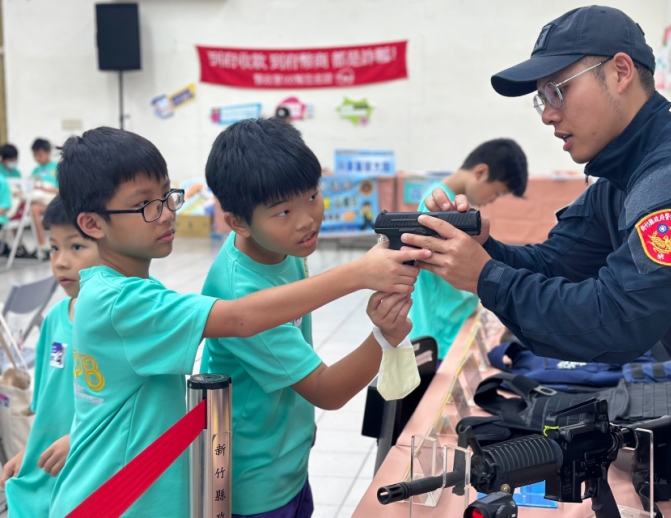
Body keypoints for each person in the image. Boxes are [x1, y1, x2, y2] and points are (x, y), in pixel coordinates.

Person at [404, 5, 671, 516]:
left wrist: (485, 275)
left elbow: (616, 322)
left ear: (620, 73)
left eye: (558, 91)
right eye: (540, 100)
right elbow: (559, 261)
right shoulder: (627, 176)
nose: (549, 113)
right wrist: (485, 252)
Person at [48, 127, 428, 518]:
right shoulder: (123, 300)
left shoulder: (129, 287)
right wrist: (361, 280)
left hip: (156, 487)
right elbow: (242, 317)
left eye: (166, 195)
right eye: (146, 205)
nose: (166, 214)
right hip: (120, 501)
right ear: (93, 224)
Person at [202, 118, 418, 517]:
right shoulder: (241, 290)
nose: (307, 219)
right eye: (283, 211)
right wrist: (383, 336)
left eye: (313, 196)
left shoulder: (276, 249)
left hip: (287, 453)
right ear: (237, 221)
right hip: (257, 480)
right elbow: (326, 390)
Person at [1, 196, 99, 518]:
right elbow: (46, 405)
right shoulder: (56, 319)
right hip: (44, 476)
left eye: (76, 247)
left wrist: (78, 439)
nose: (59, 261)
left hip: (90, 476)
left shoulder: (112, 325)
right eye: (54, 247)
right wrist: (28, 452)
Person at [408, 138, 527, 360]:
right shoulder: (439, 204)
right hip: (439, 332)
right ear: (481, 172)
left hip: (450, 324)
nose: (492, 200)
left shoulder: (449, 201)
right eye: (497, 192)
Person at [30, 138, 60, 259]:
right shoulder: (35, 171)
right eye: (35, 155)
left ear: (48, 152)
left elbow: (62, 190)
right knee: (30, 208)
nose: (37, 158)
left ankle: (46, 245)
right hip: (38, 201)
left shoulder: (57, 168)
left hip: (55, 202)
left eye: (40, 155)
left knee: (34, 209)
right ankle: (40, 246)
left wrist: (44, 189)